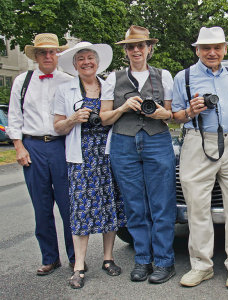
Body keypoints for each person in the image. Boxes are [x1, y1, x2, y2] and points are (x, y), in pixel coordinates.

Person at [172, 26, 228, 289]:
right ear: (197, 50)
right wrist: (189, 111)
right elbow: (175, 116)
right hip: (197, 142)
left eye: (217, 47)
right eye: (206, 48)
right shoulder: (183, 77)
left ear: (225, 49)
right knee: (197, 205)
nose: (212, 52)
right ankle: (202, 266)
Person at [99, 25, 176, 284]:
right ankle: (143, 259)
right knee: (134, 204)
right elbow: (104, 119)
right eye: (130, 46)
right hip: (124, 141)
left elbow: (171, 115)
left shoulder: (163, 75)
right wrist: (123, 107)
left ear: (149, 48)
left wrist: (157, 112)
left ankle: (164, 261)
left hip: (157, 139)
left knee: (162, 203)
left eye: (140, 45)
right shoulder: (113, 78)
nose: (135, 50)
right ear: (126, 51)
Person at [53, 42, 127, 289]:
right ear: (75, 65)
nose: (86, 62)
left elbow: (114, 116)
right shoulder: (65, 89)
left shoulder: (108, 86)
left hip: (106, 154)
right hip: (80, 156)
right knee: (81, 209)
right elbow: (58, 127)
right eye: (81, 59)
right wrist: (74, 118)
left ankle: (108, 258)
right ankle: (79, 267)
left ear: (97, 62)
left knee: (109, 205)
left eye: (90, 58)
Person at [7, 33, 75, 276]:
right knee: (41, 206)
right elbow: (15, 116)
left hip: (62, 145)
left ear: (58, 54)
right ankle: (50, 257)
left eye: (52, 52)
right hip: (33, 146)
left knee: (69, 205)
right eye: (43, 52)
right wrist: (19, 146)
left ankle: (75, 257)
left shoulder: (69, 80)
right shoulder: (22, 81)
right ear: (35, 56)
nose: (48, 56)